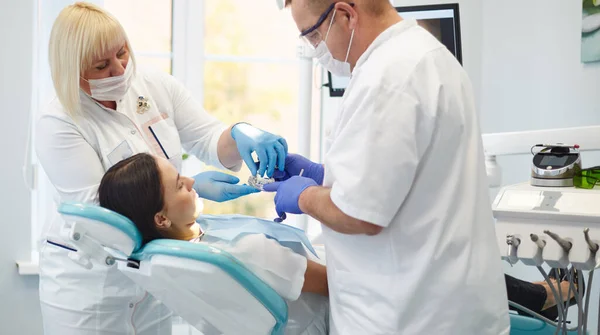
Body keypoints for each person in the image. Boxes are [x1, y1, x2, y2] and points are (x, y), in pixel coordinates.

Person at [35, 2, 287, 334]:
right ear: (73, 71)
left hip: (154, 281)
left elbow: (209, 138)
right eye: (101, 65)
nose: (119, 69)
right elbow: (103, 211)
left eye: (122, 53)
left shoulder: (154, 86)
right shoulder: (59, 122)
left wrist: (241, 134)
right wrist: (189, 186)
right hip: (89, 287)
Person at [264, 1, 511, 334]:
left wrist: (305, 196)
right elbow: (405, 178)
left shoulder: (388, 78)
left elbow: (361, 215)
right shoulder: (427, 56)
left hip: (408, 317)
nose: (314, 49)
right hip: (449, 307)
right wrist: (322, 175)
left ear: (345, 15)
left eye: (312, 35)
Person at [98, 153, 329, 334]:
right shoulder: (247, 251)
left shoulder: (181, 258)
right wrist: (315, 196)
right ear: (161, 219)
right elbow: (334, 283)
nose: (192, 181)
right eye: (179, 184)